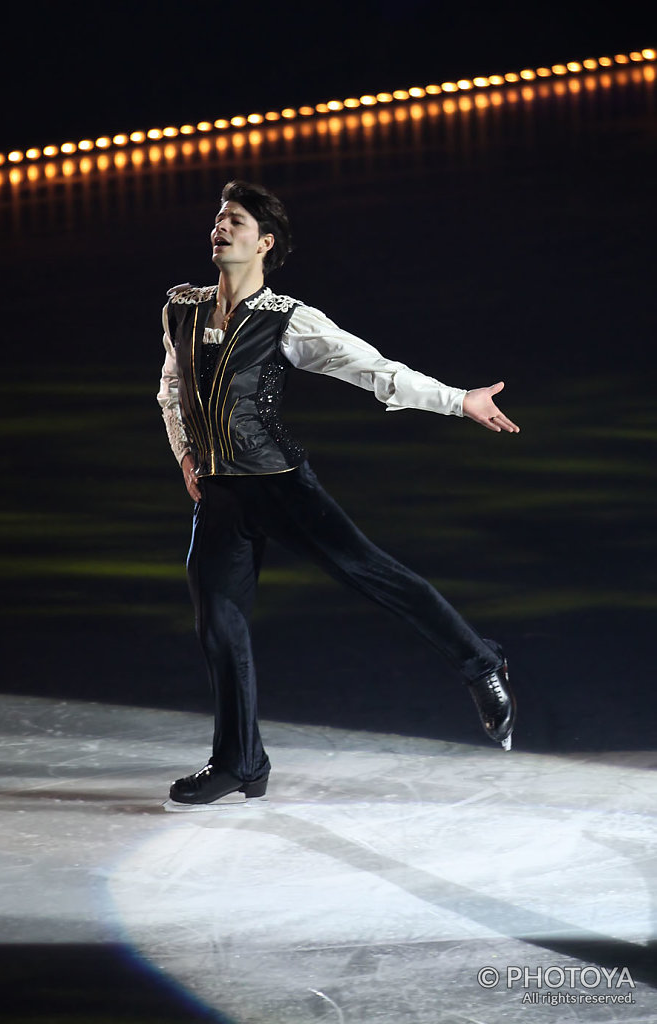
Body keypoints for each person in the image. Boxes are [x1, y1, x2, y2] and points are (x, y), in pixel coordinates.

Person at [157, 180, 520, 806]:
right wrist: (186, 454)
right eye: (219, 217)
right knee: (219, 624)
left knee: (370, 573)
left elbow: (374, 370)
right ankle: (241, 762)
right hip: (218, 496)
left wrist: (459, 401)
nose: (221, 227)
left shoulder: (288, 320)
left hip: (278, 485)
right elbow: (171, 390)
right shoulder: (180, 309)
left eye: (236, 220)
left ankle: (479, 662)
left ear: (264, 243)